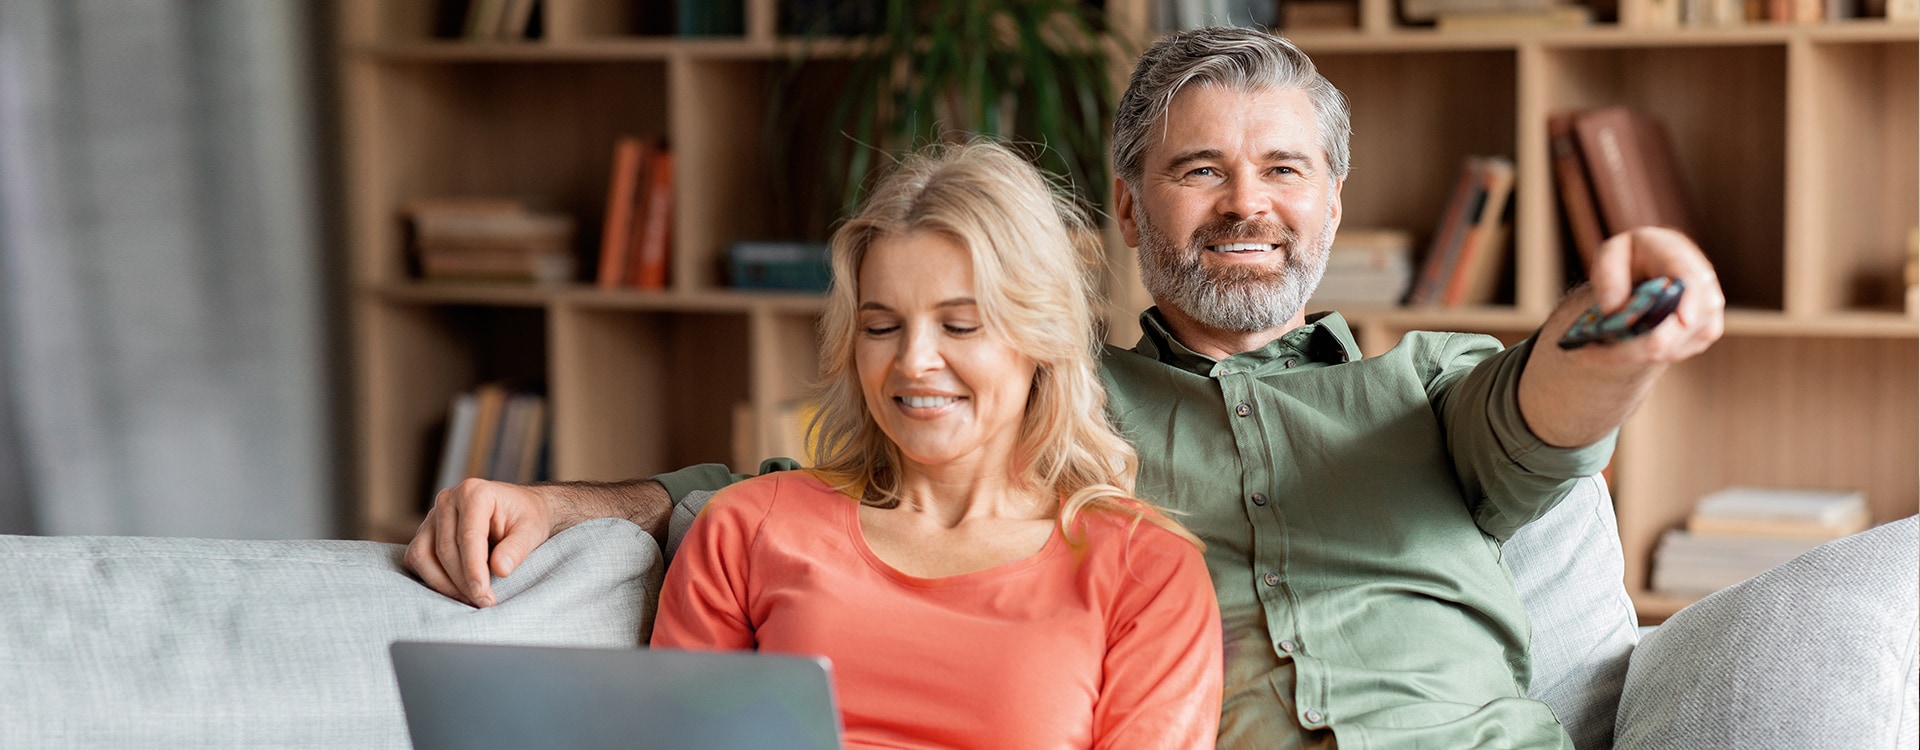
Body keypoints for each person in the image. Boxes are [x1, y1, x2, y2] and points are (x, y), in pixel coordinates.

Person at [406, 27, 1726, 748]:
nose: (1246, 205)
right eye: (1201, 169)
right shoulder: (1052, 407)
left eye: (1283, 169)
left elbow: (1545, 408)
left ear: (1333, 199)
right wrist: (588, 498)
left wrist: (1622, 329)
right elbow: (808, 499)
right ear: (1130, 204)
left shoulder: (1431, 390)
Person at [651, 139, 1223, 748]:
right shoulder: (747, 527)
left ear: (1041, 339)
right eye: (881, 327)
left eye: (959, 325)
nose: (914, 361)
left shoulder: (1147, 568)